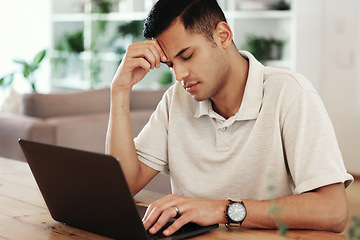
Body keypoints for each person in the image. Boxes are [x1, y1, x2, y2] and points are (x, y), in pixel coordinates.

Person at [106, 0, 353, 236]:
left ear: (222, 35)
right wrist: (119, 90)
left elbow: (333, 211)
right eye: (170, 64)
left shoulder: (291, 93)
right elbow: (122, 187)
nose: (179, 74)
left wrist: (221, 210)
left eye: (187, 55)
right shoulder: (176, 101)